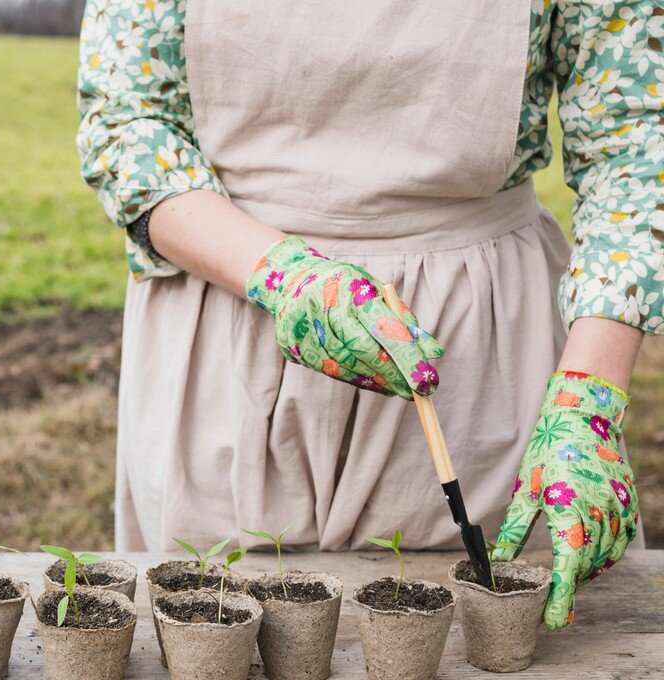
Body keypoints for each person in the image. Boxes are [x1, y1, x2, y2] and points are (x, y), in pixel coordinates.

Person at [77, 0, 662, 630]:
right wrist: (280, 273)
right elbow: (128, 122)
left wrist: (590, 395)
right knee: (217, 630)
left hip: (485, 349)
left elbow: (636, 148)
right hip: (230, 317)